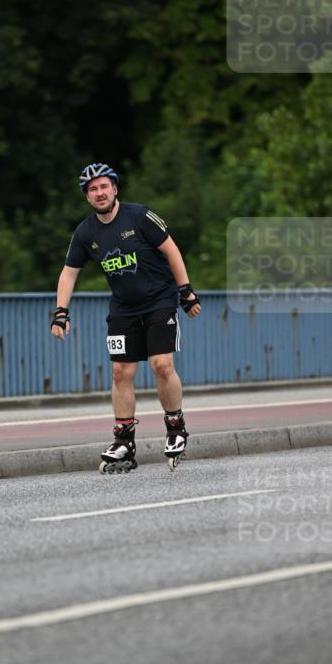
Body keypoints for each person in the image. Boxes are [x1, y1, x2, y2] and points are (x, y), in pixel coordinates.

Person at [51, 162, 201, 473]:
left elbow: (172, 250)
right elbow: (69, 273)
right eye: (93, 189)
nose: (99, 193)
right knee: (121, 372)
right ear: (87, 197)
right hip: (123, 308)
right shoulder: (85, 232)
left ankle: (175, 428)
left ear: (115, 189)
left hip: (159, 300)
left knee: (162, 364)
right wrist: (61, 313)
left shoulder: (139, 216)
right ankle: (124, 441)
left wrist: (186, 291)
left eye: (104, 186)